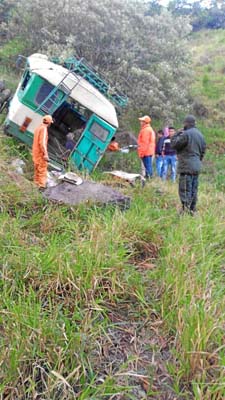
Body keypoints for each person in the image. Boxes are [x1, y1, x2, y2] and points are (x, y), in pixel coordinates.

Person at [170, 115, 206, 214]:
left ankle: (185, 210)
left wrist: (177, 133)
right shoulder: (200, 135)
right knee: (194, 189)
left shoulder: (186, 134)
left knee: (185, 188)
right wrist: (197, 161)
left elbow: (173, 144)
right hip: (196, 166)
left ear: (186, 124)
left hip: (186, 166)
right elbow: (203, 151)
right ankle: (192, 210)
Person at [32, 114, 53, 189]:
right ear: (49, 123)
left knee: (37, 169)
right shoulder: (44, 129)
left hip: (35, 152)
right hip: (41, 154)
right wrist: (46, 154)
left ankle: (35, 185)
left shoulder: (38, 127)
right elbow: (42, 143)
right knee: (42, 170)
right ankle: (41, 187)